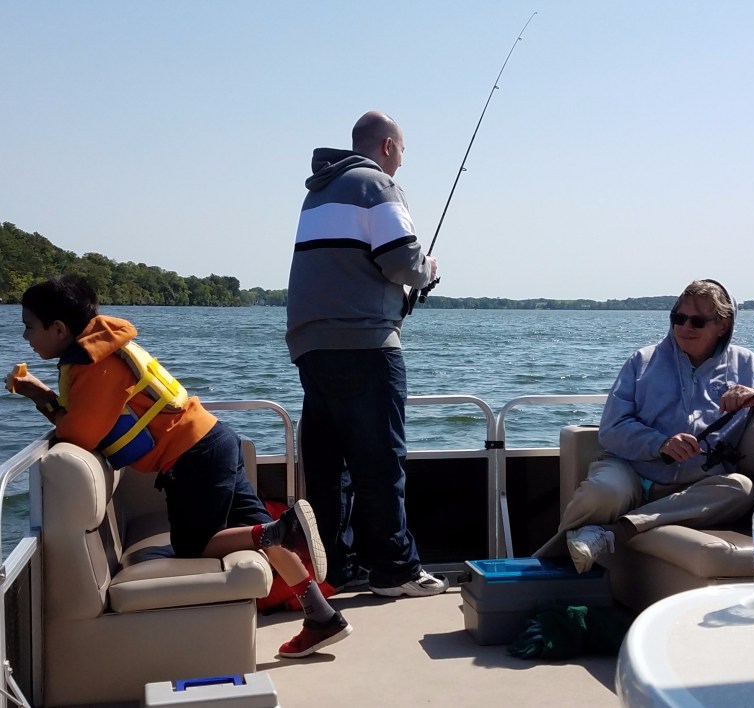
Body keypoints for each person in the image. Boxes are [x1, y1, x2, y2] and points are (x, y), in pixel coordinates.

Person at [5, 274, 352, 658]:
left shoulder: (95, 365)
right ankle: (321, 615)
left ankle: (281, 530)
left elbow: (77, 435)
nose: (26, 337)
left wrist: (39, 395)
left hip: (192, 456)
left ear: (58, 329)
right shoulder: (102, 350)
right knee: (256, 529)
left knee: (194, 545)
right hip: (214, 439)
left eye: (29, 327)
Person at [535, 279, 754, 571]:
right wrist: (660, 443)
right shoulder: (641, 361)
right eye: (679, 318)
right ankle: (543, 569)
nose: (685, 327)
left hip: (694, 486)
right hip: (630, 470)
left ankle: (614, 532)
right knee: (603, 494)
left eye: (697, 321)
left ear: (723, 325)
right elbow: (612, 429)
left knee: (740, 488)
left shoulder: (749, 366)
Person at [285, 110, 448, 597]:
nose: (400, 162)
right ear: (388, 147)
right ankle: (395, 570)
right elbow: (401, 258)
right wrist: (429, 268)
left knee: (329, 467)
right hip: (364, 341)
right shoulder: (376, 186)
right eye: (401, 151)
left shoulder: (318, 191)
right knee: (380, 460)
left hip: (309, 344)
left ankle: (333, 568)